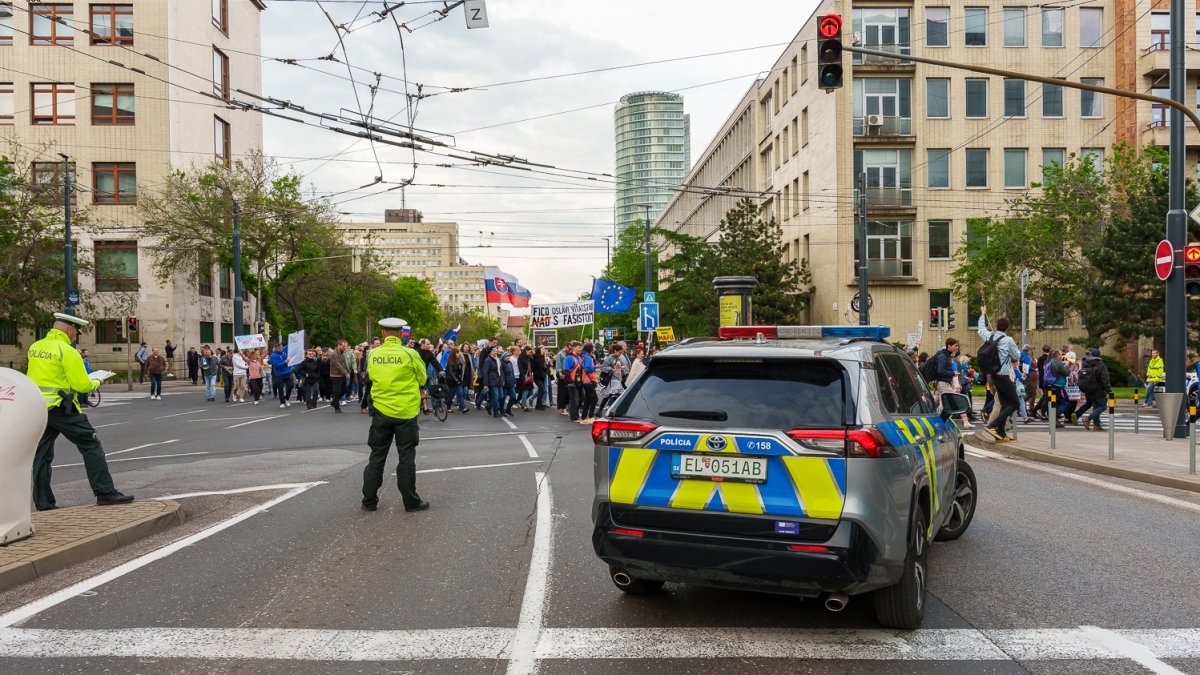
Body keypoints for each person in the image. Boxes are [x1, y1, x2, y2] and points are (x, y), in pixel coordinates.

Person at [27, 312, 133, 510]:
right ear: (69, 329)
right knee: (91, 445)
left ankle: (43, 503)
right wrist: (98, 380)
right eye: (76, 331)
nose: (76, 335)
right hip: (62, 407)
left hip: (39, 407)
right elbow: (82, 385)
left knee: (42, 454)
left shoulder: (36, 347)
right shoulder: (67, 351)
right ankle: (105, 492)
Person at [362, 317, 429, 513]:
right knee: (406, 456)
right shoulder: (410, 353)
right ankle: (410, 501)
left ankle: (369, 500)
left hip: (381, 411)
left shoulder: (373, 354)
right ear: (401, 334)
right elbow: (422, 378)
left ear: (383, 333)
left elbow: (371, 376)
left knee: (376, 455)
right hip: (406, 411)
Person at [977, 306, 1021, 442]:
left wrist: (983, 314)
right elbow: (1016, 356)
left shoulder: (990, 336)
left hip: (993, 375)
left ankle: (1000, 433)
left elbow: (981, 329)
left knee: (1004, 404)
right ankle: (992, 426)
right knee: (1015, 403)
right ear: (1007, 328)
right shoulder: (1008, 340)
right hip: (1003, 375)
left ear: (997, 326)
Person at [479, 343, 504, 418]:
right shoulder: (488, 360)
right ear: (490, 352)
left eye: (496, 351)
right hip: (492, 381)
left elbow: (501, 371)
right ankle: (496, 412)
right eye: (494, 351)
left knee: (501, 396)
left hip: (499, 380)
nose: (495, 352)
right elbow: (485, 372)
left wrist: (502, 379)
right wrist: (485, 384)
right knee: (496, 397)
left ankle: (489, 406)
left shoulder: (498, 359)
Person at [269, 342, 294, 408]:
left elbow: (290, 343)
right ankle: (282, 402)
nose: (281, 349)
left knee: (291, 385)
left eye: (281, 347)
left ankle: (286, 398)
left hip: (287, 372)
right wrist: (285, 362)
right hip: (279, 374)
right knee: (280, 388)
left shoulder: (284, 349)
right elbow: (277, 365)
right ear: (276, 348)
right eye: (279, 348)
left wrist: (296, 337)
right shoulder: (273, 356)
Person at [328, 341, 350, 412]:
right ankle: (337, 407)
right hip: (336, 375)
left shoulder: (341, 353)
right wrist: (345, 373)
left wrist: (347, 371)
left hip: (341, 375)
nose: (345, 347)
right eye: (343, 346)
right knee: (337, 391)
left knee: (344, 390)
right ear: (338, 345)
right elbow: (337, 365)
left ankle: (334, 401)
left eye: (345, 346)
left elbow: (343, 364)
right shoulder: (334, 354)